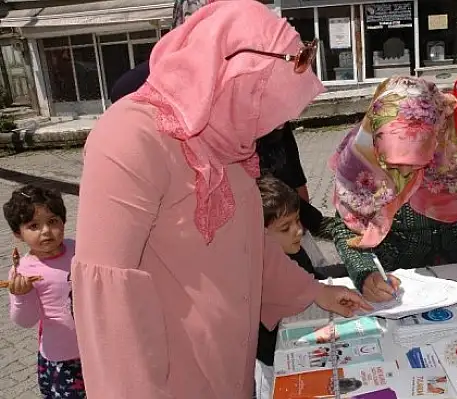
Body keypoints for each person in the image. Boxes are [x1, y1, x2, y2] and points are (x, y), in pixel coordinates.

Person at [70, 2, 371, 398]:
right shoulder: (129, 138)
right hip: (170, 380)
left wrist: (314, 291)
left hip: (228, 364)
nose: (276, 125)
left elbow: (248, 246)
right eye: (267, 102)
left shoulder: (228, 138)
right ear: (234, 77)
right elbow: (107, 298)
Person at [109, 0, 334, 240]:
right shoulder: (136, 109)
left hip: (263, 230)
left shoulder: (253, 90)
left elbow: (286, 161)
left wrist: (316, 224)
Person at [329, 76, 457, 302]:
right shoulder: (361, 159)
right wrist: (365, 274)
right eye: (393, 166)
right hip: (397, 280)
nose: (407, 175)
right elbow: (344, 226)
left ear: (433, 137)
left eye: (418, 161)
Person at [2, 185, 85, 399]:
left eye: (53, 221)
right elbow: (26, 321)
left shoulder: (78, 249)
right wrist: (21, 296)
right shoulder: (22, 271)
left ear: (63, 222)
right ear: (17, 233)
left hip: (96, 347)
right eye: (34, 226)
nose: (46, 231)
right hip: (62, 356)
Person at [254, 175, 325, 399]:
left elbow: (313, 284)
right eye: (285, 228)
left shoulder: (296, 251)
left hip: (304, 347)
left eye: (297, 221)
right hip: (274, 362)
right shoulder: (259, 272)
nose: (298, 231)